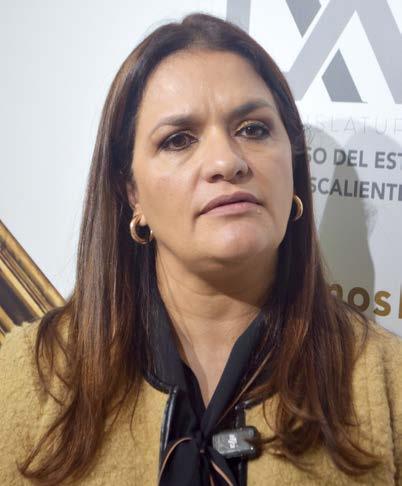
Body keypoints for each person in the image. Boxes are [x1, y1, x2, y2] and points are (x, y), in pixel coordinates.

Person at [0, 12, 401, 486]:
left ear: (293, 166)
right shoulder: (29, 376)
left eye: (253, 129)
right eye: (179, 140)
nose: (226, 162)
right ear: (132, 193)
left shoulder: (387, 381)